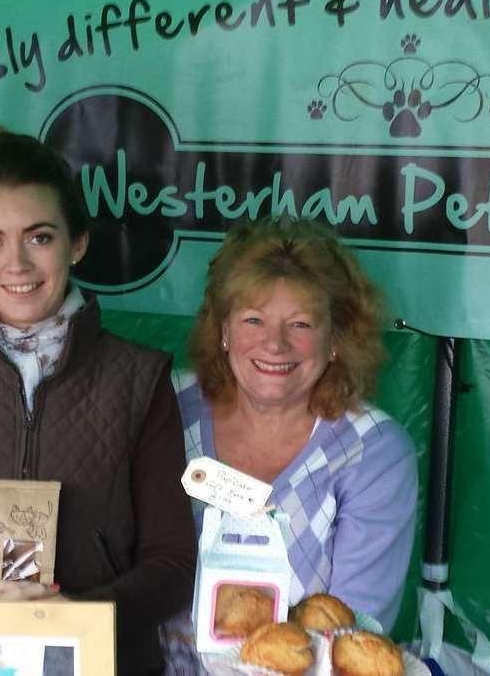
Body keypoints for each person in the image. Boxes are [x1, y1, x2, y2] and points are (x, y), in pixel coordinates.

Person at [0, 127, 197, 675]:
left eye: (39, 237)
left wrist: (71, 623)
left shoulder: (139, 379)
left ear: (79, 242)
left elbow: (170, 563)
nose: (16, 264)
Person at [163, 218, 418, 672]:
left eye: (300, 324)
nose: (275, 344)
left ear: (336, 339)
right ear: (223, 331)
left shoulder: (374, 451)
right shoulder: (163, 409)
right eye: (253, 319)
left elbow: (356, 637)